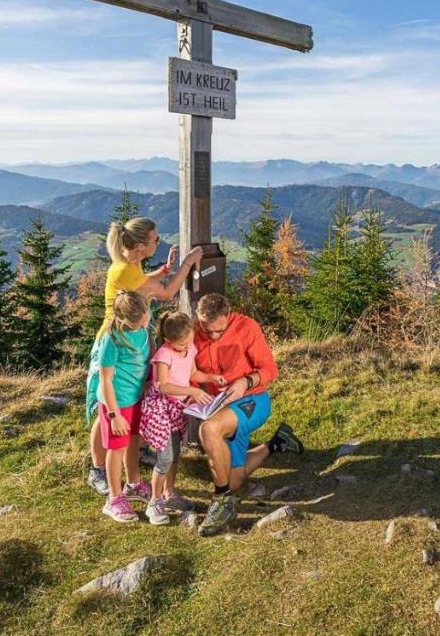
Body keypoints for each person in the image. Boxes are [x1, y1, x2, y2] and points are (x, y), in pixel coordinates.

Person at [86, 217, 203, 500]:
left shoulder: (130, 263)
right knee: (107, 410)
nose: (158, 243)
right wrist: (186, 265)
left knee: (128, 403)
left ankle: (123, 464)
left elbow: (145, 283)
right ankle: (98, 470)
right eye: (156, 240)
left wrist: (164, 268)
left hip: (133, 341)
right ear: (140, 245)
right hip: (117, 344)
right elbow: (164, 292)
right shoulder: (126, 270)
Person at [191, 293, 304, 536]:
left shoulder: (246, 327)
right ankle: (278, 442)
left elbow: (270, 369)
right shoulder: (192, 332)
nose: (211, 336)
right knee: (235, 480)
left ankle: (222, 501)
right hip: (220, 407)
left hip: (253, 399)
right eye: (205, 329)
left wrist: (245, 381)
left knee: (209, 430)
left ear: (227, 316)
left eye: (217, 331)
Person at [138, 311, 226, 525]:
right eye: (181, 345)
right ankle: (154, 501)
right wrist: (193, 391)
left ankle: (169, 493)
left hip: (178, 408)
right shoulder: (164, 354)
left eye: (189, 341)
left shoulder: (189, 346)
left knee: (176, 453)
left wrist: (211, 377)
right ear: (168, 340)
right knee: (166, 457)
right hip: (161, 409)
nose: (187, 347)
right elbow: (163, 385)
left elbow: (193, 373)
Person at [85, 289, 152, 523]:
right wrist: (114, 415)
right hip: (116, 403)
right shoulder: (112, 340)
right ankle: (113, 498)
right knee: (117, 447)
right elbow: (105, 381)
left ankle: (133, 484)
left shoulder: (143, 331)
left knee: (133, 440)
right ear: (131, 318)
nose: (148, 316)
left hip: (135, 398)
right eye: (144, 313)